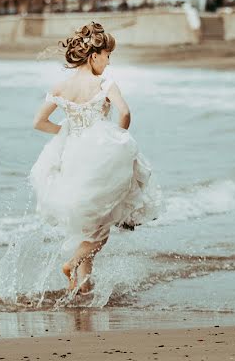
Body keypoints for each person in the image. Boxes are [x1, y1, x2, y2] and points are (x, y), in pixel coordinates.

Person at [30, 21, 160, 295]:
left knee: (85, 228)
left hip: (72, 158)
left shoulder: (61, 86)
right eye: (107, 56)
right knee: (101, 231)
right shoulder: (104, 83)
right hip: (99, 160)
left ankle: (82, 289)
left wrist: (65, 132)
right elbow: (124, 113)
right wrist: (116, 142)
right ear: (94, 56)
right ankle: (72, 264)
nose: (109, 63)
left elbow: (39, 122)